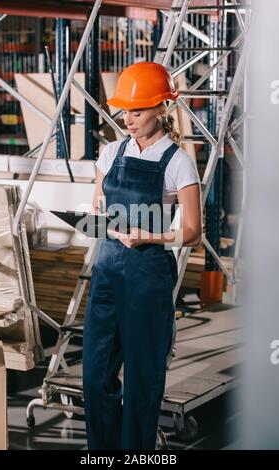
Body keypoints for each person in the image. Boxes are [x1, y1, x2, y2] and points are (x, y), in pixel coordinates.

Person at [82, 62, 202, 450]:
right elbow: (98, 205)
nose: (127, 119)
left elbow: (193, 232)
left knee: (141, 381)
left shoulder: (178, 163)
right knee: (95, 376)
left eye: (137, 111)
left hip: (146, 275)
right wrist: (93, 219)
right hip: (106, 270)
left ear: (162, 108)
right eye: (124, 111)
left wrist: (151, 236)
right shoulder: (110, 152)